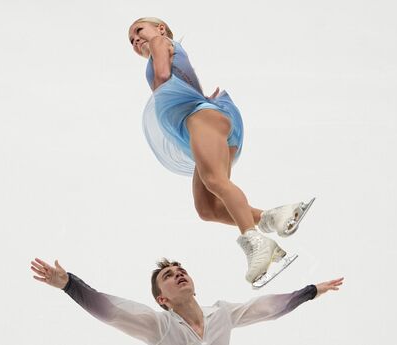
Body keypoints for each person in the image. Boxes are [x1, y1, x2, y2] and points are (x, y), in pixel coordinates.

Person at [128, 17, 315, 287]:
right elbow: (183, 84)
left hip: (200, 120)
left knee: (216, 182)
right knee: (207, 208)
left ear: (160, 28)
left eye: (138, 30)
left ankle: (256, 242)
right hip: (202, 126)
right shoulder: (170, 48)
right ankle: (275, 216)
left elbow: (163, 77)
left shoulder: (161, 41)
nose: (135, 39)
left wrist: (162, 94)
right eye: (131, 41)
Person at [30, 257, 343, 345]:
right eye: (168, 275)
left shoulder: (222, 314)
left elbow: (267, 308)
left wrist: (310, 291)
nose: (178, 273)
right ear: (162, 299)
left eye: (180, 270)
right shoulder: (158, 326)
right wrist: (70, 284)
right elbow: (110, 310)